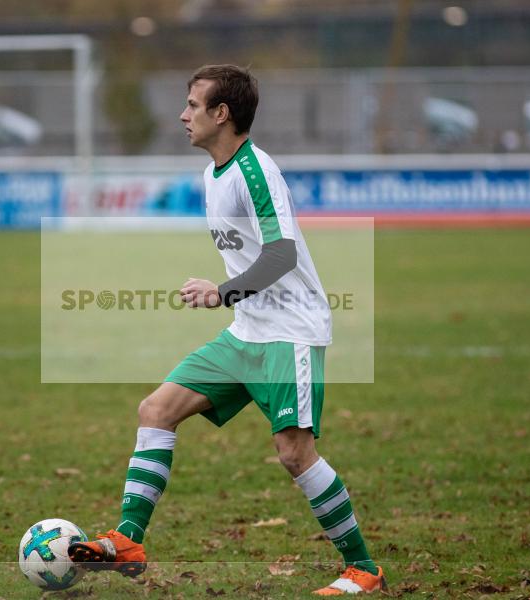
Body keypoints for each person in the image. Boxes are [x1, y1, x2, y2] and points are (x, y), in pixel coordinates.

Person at [69, 65, 385, 595]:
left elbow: (282, 253)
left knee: (294, 453)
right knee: (156, 410)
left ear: (222, 114)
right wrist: (232, 299)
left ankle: (363, 568)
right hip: (247, 332)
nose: (183, 114)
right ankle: (128, 539)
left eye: (193, 104)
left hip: (290, 333)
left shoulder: (254, 171)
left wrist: (222, 291)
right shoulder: (213, 174)